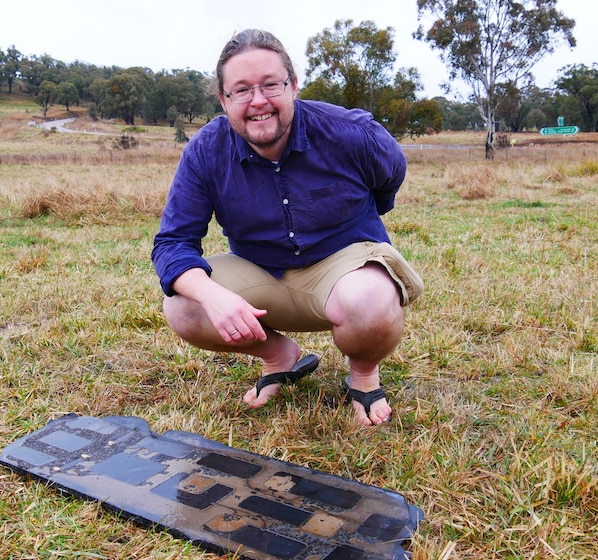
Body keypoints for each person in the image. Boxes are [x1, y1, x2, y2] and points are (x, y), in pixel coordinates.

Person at [151, 29, 423, 426]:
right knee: (183, 306)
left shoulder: (352, 133)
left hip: (344, 265)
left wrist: (368, 217)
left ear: (293, 85)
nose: (258, 101)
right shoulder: (205, 152)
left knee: (371, 301)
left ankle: (363, 374)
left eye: (270, 85)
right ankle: (278, 355)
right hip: (261, 270)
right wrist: (212, 295)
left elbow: (390, 174)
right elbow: (173, 242)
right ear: (224, 100)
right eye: (241, 90)